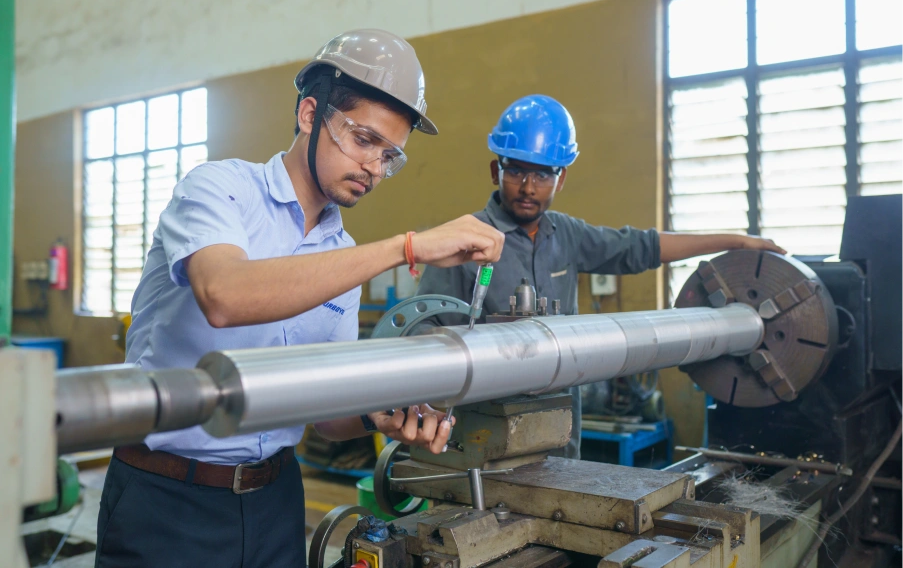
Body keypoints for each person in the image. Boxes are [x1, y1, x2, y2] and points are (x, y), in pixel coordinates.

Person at [94, 29, 505, 568]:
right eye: (363, 140)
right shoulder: (218, 190)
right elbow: (224, 295)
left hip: (275, 502)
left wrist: (382, 415)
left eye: (390, 156)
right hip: (166, 501)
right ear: (310, 114)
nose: (374, 168)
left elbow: (325, 417)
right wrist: (406, 247)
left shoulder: (342, 256)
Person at [413, 94, 785, 460]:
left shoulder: (566, 235)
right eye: (516, 171)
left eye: (542, 174)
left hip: (560, 433)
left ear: (561, 179)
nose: (528, 187)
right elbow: (422, 335)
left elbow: (642, 247)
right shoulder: (465, 240)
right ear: (496, 171)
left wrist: (736, 242)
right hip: (484, 437)